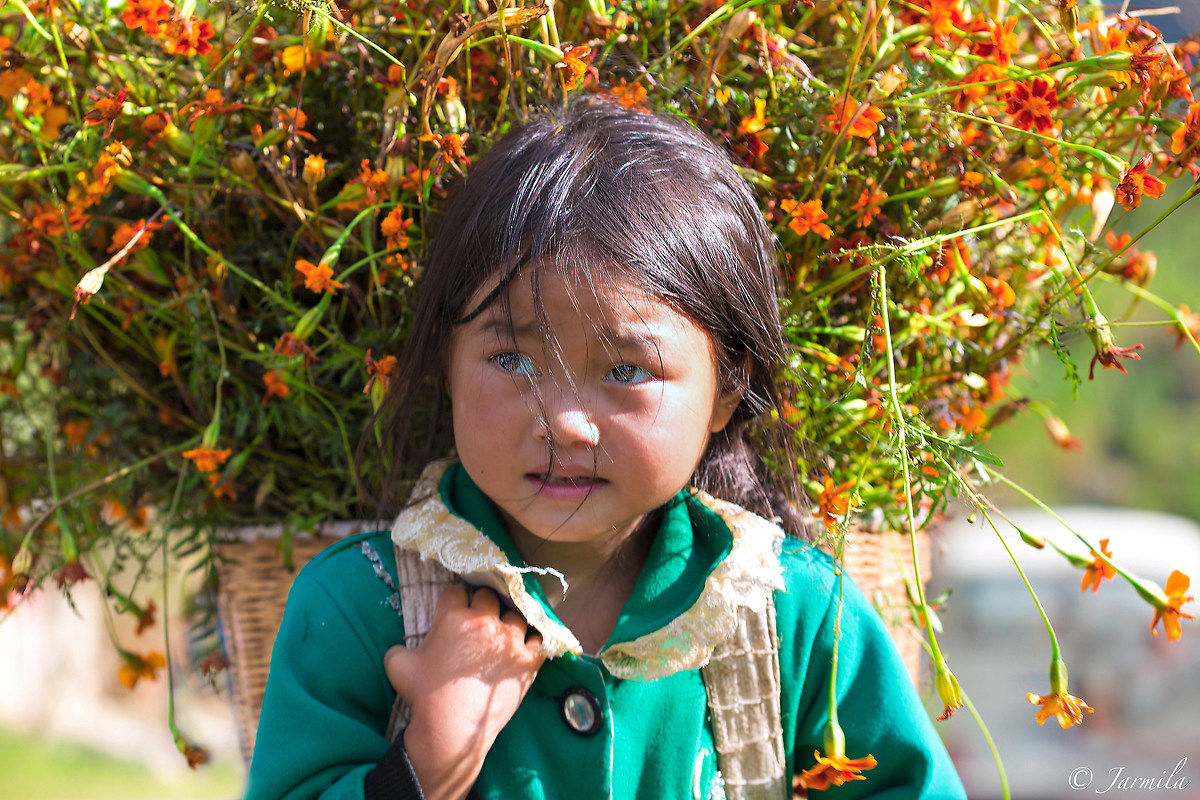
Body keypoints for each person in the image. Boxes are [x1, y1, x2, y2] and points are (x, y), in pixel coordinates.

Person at [244, 96, 965, 800]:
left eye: (626, 371)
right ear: (445, 362)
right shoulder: (360, 607)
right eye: (513, 360)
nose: (565, 423)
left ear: (725, 387)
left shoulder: (796, 615)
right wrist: (425, 763)